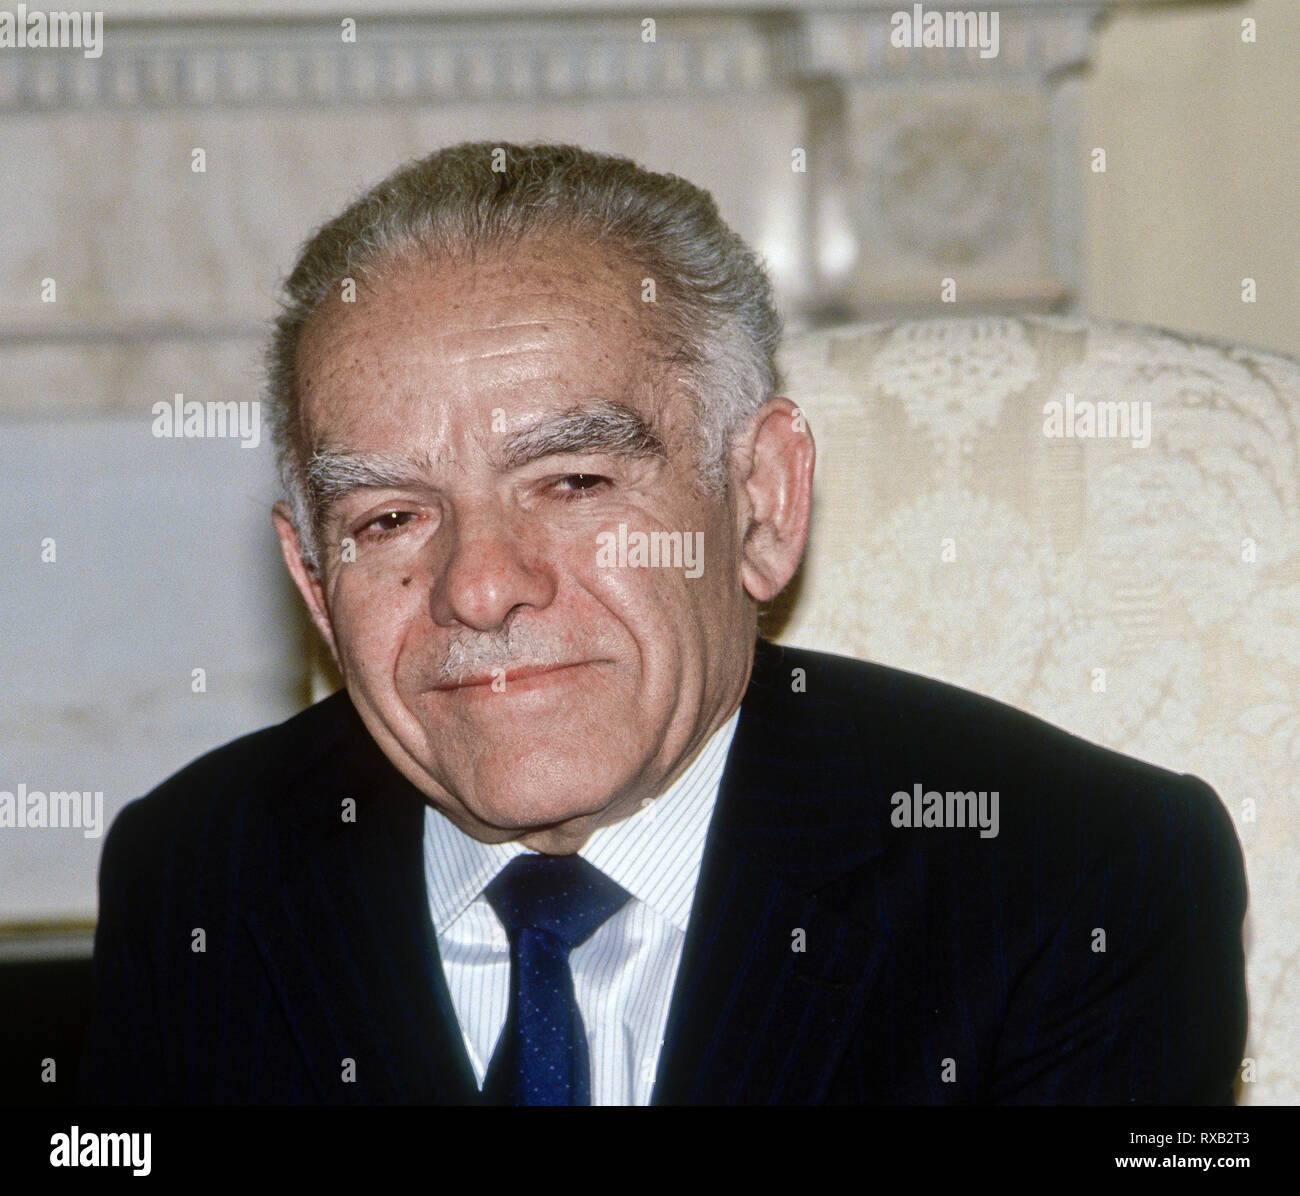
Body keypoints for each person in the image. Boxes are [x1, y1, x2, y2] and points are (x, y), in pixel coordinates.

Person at [78, 142, 1247, 1105]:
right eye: (388, 516)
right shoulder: (199, 876)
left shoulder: (1071, 879)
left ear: (762, 502)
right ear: (312, 579)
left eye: (575, 481)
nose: (479, 588)